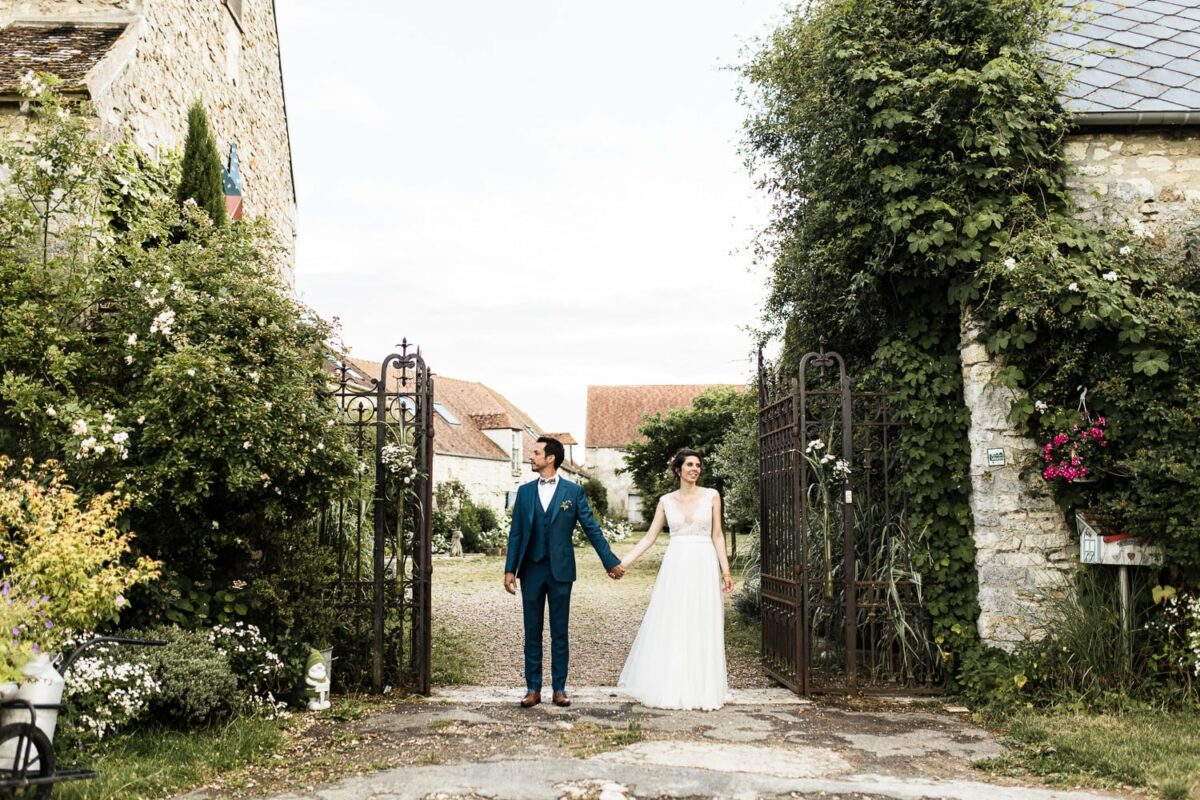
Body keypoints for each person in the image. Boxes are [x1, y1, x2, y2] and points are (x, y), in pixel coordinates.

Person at [504, 436, 624, 708]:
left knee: (560, 631)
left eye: (535, 453)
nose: (531, 456)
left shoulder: (573, 492)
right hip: (531, 570)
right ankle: (533, 688)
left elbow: (591, 527)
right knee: (531, 631)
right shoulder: (524, 492)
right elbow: (516, 533)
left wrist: (610, 561)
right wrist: (510, 569)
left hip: (561, 571)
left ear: (550, 459)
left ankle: (559, 688)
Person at [617, 448, 733, 710]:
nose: (695, 469)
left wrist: (725, 570)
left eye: (698, 465)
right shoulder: (666, 501)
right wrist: (623, 563)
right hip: (676, 565)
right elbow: (649, 537)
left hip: (703, 563)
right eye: (689, 464)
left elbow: (717, 535)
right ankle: (673, 686)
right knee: (675, 620)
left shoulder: (712, 496)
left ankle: (703, 688)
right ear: (678, 469)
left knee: (701, 621)